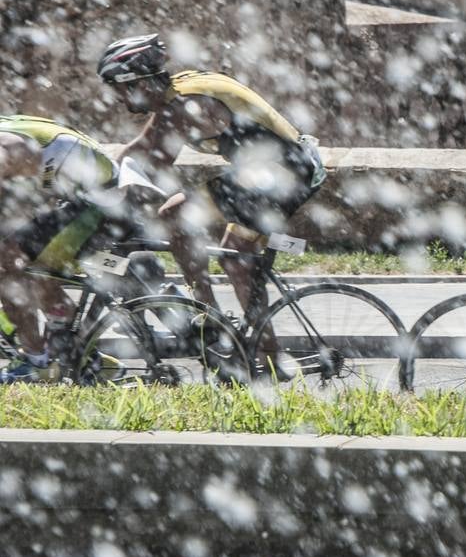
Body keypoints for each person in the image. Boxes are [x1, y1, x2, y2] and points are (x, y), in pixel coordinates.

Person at [98, 34, 326, 376]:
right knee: (237, 259)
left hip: (282, 174)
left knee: (176, 216)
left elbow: (155, 162)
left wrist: (108, 203)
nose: (118, 99)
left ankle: (205, 316)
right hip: (274, 171)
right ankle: (269, 359)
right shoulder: (179, 92)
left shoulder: (184, 107)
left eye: (118, 89)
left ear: (136, 83)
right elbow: (140, 148)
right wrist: (100, 177)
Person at [0, 116, 126, 382]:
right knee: (29, 267)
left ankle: (36, 362)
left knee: (12, 264)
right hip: (90, 198)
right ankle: (79, 354)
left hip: (94, 203)